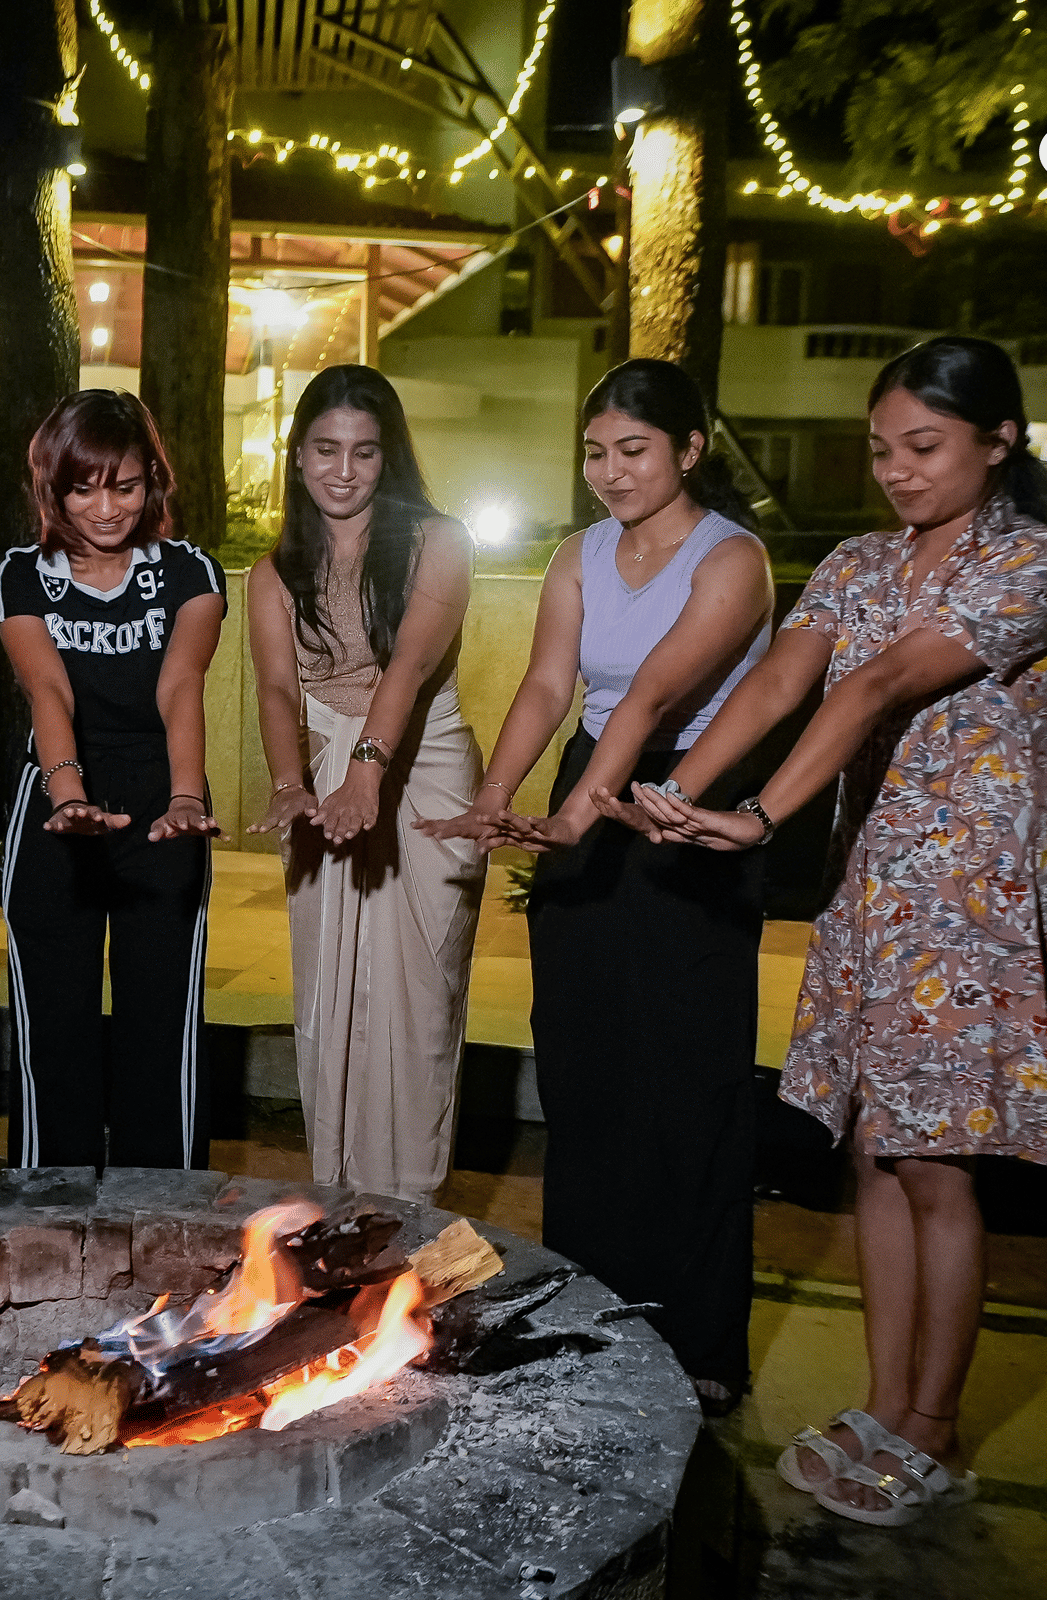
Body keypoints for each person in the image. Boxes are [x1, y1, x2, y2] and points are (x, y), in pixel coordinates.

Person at [607, 336, 1047, 1523]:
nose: (896, 472)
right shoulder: (858, 560)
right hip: (869, 899)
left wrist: (752, 814)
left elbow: (873, 688)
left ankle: (936, 1425)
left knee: (936, 1164)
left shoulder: (1027, 564)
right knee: (869, 1153)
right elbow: (778, 680)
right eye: (879, 450)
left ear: (998, 442)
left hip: (968, 911)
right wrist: (674, 788)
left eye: (924, 447)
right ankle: (883, 1402)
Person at [422, 358, 773, 1411]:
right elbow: (545, 683)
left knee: (688, 1071)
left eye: (633, 451)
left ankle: (701, 1340)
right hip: (593, 782)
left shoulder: (734, 560)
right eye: (594, 453)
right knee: (582, 1060)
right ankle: (587, 1303)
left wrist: (580, 815)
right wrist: (497, 797)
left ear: (688, 450)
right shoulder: (580, 553)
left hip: (689, 803)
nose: (610, 474)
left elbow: (657, 689)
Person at [246, 364, 485, 1206]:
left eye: (364, 452)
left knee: (421, 995)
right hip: (327, 770)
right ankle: (337, 1202)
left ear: (391, 459)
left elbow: (411, 664)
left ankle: (411, 1207)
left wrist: (365, 772)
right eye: (324, 449)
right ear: (298, 454)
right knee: (330, 994)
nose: (342, 470)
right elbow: (277, 688)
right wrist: (288, 779)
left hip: (423, 766)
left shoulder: (439, 540)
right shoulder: (273, 571)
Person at [0, 390, 226, 1170]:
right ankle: (48, 1220)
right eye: (83, 487)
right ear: (52, 488)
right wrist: (68, 797)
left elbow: (180, 681)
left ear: (150, 483)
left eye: (124, 485)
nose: (105, 507)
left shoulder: (187, 570)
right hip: (58, 801)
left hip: (165, 804)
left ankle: (165, 1221)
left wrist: (188, 794)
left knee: (157, 1030)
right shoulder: (24, 574)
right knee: (55, 1031)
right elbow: (47, 688)